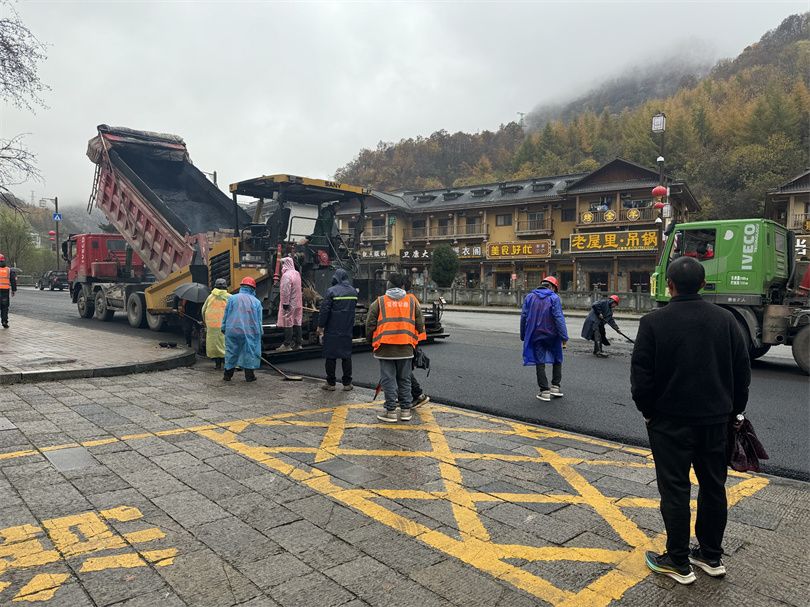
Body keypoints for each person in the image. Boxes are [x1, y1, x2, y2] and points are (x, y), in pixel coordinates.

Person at [631, 256, 750, 585]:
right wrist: (734, 411)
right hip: (716, 421)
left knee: (675, 489)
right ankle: (711, 556)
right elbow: (742, 373)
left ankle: (678, 560)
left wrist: (648, 412)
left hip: (669, 422)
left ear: (669, 285)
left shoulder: (653, 322)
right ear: (702, 284)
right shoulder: (726, 320)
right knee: (714, 486)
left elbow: (642, 377)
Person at [366, 272, 425, 423]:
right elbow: (420, 325)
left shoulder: (379, 302)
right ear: (402, 285)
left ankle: (391, 411)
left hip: (385, 348)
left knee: (388, 379)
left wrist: (370, 341)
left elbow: (370, 324)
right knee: (404, 379)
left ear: (388, 285)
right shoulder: (412, 301)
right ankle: (405, 411)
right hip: (406, 347)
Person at [520, 276, 569, 401]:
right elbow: (559, 317)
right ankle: (555, 387)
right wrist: (564, 336)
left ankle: (544, 391)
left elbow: (524, 316)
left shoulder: (530, 297)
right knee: (557, 358)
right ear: (552, 287)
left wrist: (523, 334)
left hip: (536, 334)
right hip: (553, 334)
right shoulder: (554, 298)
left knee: (540, 361)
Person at [317, 268, 357, 391]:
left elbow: (324, 311)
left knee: (331, 356)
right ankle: (347, 383)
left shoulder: (331, 291)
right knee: (346, 355)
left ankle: (331, 383)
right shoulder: (353, 292)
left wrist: (320, 326)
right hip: (347, 328)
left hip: (332, 329)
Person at [222, 276, 263, 382]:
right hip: (249, 331)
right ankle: (249, 376)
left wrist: (223, 327)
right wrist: (260, 332)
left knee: (231, 352)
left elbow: (226, 314)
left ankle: (227, 375)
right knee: (249, 353)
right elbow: (259, 320)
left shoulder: (232, 298)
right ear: (253, 288)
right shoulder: (256, 302)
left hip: (232, 329)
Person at [403, 275, 429, 408]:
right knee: (403, 369)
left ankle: (418, 395)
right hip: (411, 339)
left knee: (403, 370)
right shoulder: (411, 299)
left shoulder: (408, 300)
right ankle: (407, 396)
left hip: (409, 340)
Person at [201, 278, 231, 369]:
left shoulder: (210, 297)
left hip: (212, 326)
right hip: (226, 326)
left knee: (215, 346)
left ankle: (218, 365)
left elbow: (203, 310)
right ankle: (227, 365)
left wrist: (205, 322)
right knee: (226, 345)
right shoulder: (230, 297)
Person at [276, 257, 303, 352]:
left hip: (290, 302)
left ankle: (287, 344)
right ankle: (298, 343)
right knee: (297, 321)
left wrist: (285, 303)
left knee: (288, 321)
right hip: (298, 302)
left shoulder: (286, 276)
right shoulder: (297, 273)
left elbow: (285, 291)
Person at [0, 254, 17, 329]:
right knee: (4, 307)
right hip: (5, 291)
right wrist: (13, 290)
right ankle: (4, 321)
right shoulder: (8, 270)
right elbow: (13, 281)